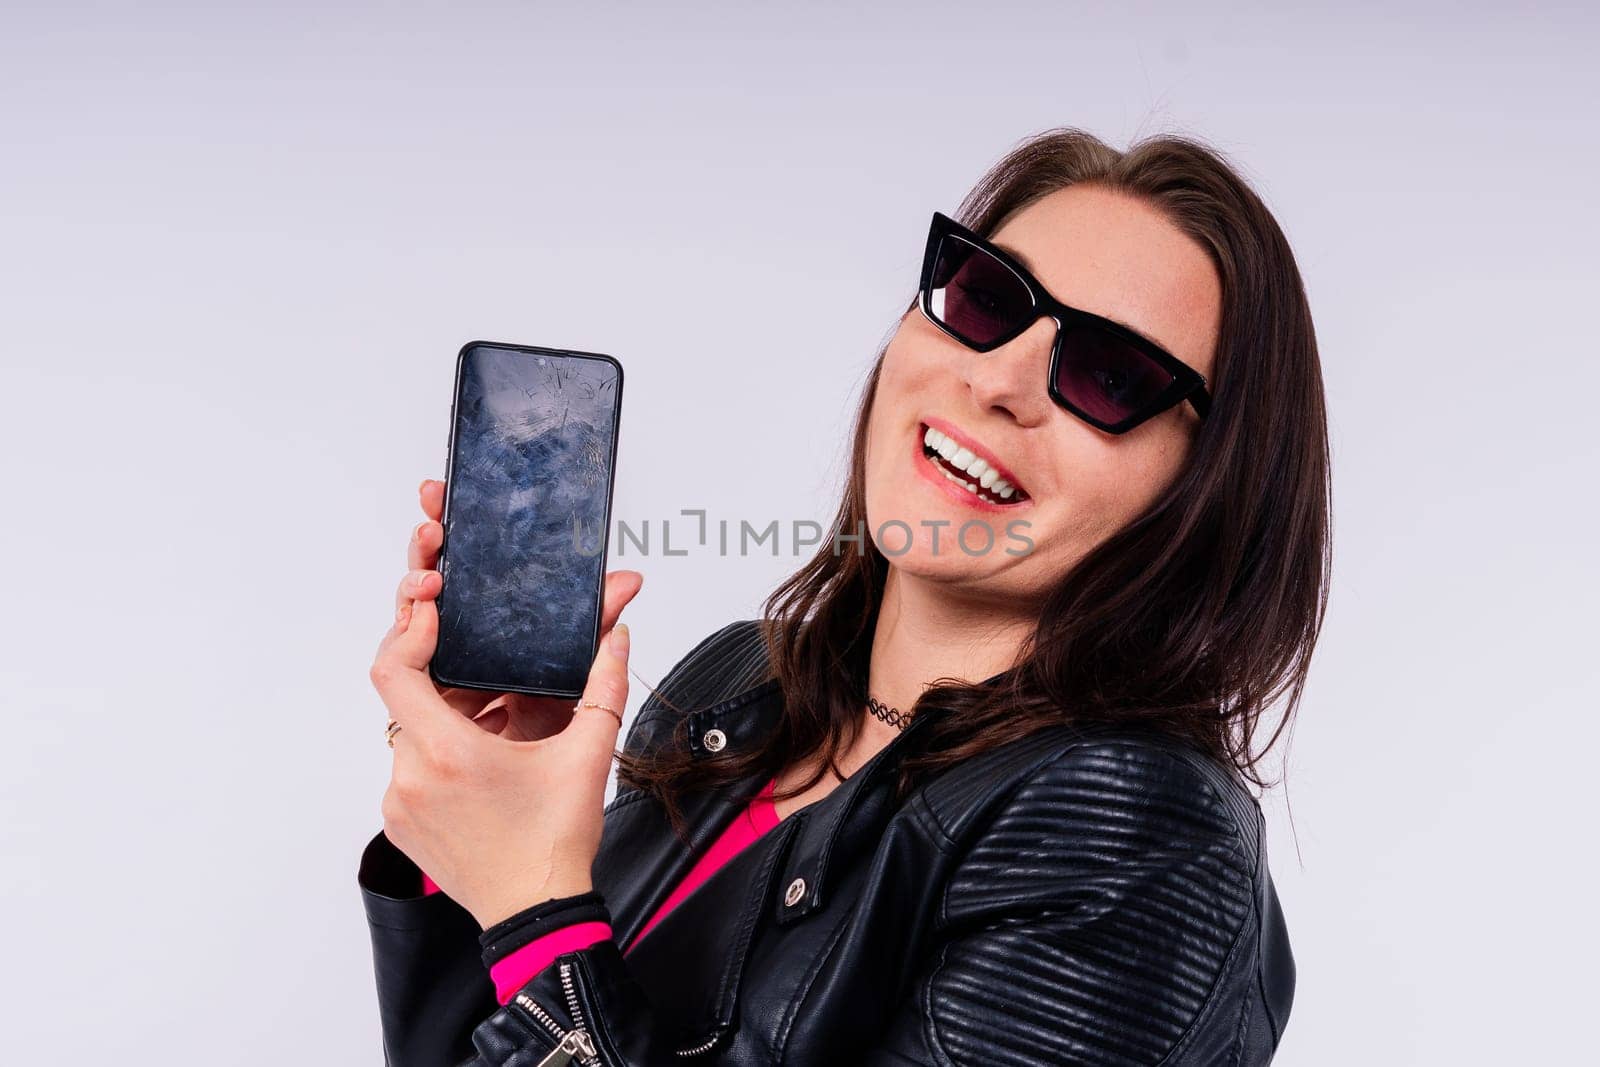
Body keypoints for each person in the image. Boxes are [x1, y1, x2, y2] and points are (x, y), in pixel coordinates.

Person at [360, 125, 1327, 1066]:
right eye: (988, 300)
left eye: (1111, 375)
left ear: (1210, 491)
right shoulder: (737, 685)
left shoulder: (1137, 835)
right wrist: (479, 839)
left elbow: (553, 969)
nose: (996, 380)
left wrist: (536, 910)